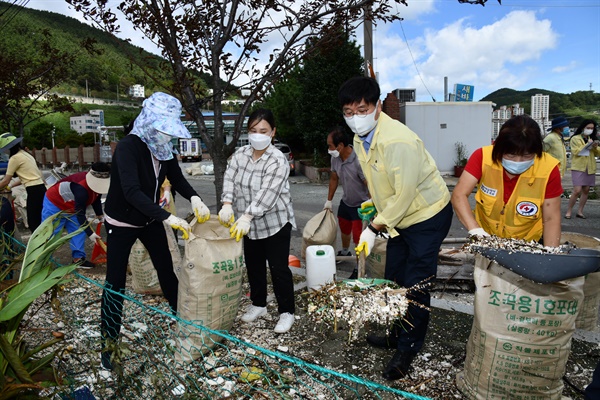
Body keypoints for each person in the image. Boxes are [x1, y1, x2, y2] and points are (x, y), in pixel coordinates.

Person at [338, 76, 453, 380]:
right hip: (398, 217)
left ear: (377, 106)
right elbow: (382, 182)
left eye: (361, 109)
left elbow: (404, 193)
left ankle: (407, 348)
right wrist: (376, 206)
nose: (355, 117)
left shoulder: (398, 140)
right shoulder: (360, 140)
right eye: (348, 112)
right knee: (395, 277)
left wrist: (374, 227)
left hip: (427, 215)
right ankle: (396, 332)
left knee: (416, 284)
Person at [100, 92, 211, 370]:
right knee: (115, 283)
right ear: (149, 123)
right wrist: (168, 218)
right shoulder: (128, 147)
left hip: (149, 219)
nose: (166, 136)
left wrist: (195, 197)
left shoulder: (163, 149)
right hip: (122, 222)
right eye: (162, 129)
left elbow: (177, 179)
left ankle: (182, 324)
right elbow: (131, 191)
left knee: (167, 269)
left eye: (169, 131)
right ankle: (109, 347)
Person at [217, 108, 297, 334]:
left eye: (263, 130)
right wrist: (227, 203)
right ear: (248, 132)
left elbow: (268, 193)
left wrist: (247, 216)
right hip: (247, 223)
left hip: (275, 222)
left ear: (273, 132)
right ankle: (258, 304)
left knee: (279, 268)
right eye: (253, 130)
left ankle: (287, 312)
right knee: (253, 265)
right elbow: (230, 179)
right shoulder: (240, 154)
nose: (258, 135)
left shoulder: (278, 159)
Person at [41, 162, 111, 268]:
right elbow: (80, 214)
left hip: (73, 205)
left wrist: (100, 215)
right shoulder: (81, 188)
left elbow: (96, 197)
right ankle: (42, 260)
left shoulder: (94, 187)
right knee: (50, 232)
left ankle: (78, 259)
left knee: (78, 230)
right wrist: (90, 233)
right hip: (55, 203)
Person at [323, 126, 370, 278]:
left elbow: (367, 183)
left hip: (361, 205)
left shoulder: (358, 160)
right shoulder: (335, 158)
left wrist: (373, 203)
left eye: (330, 145)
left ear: (340, 146)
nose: (329, 148)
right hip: (346, 201)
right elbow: (334, 178)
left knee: (358, 237)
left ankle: (359, 267)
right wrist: (328, 201)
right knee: (343, 226)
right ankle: (345, 251)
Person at [0, 133, 46, 232]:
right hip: (41, 188)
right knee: (40, 220)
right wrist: (11, 186)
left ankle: (38, 246)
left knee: (33, 223)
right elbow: (25, 177)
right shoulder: (26, 154)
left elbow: (5, 181)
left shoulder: (14, 158)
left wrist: (6, 185)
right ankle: (44, 244)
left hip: (33, 190)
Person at [564, 119, 599, 219]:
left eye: (592, 128)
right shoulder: (575, 138)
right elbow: (575, 152)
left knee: (586, 190)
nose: (590, 130)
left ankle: (580, 211)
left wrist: (595, 147)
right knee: (577, 190)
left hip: (590, 167)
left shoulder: (592, 138)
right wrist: (588, 144)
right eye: (588, 128)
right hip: (578, 167)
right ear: (583, 127)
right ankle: (569, 211)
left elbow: (597, 153)